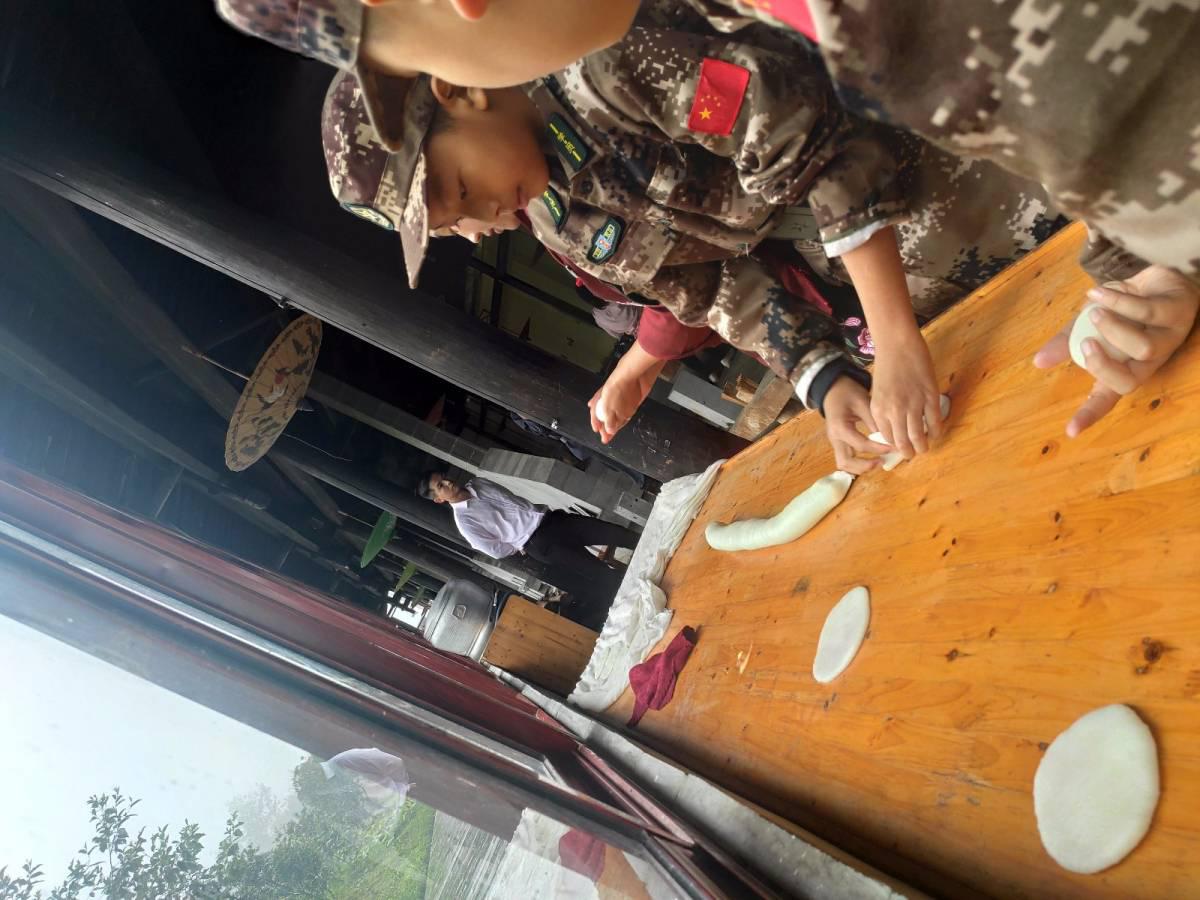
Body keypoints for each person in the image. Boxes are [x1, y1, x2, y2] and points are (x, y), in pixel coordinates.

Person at [317, 27, 1062, 473]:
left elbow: (807, 130)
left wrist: (894, 339)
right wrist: (826, 379)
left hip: (976, 178)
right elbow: (716, 289)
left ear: (459, 93)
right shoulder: (560, 222)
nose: (486, 221)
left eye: (459, 187)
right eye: (459, 226)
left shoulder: (602, 65)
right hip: (911, 289)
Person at [417, 471, 640, 629]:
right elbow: (495, 549)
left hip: (552, 519)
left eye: (444, 477)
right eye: (441, 486)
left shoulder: (478, 483)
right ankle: (641, 596)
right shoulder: (465, 522)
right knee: (597, 572)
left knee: (615, 533)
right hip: (538, 542)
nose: (448, 482)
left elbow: (512, 499)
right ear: (439, 499)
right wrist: (520, 543)